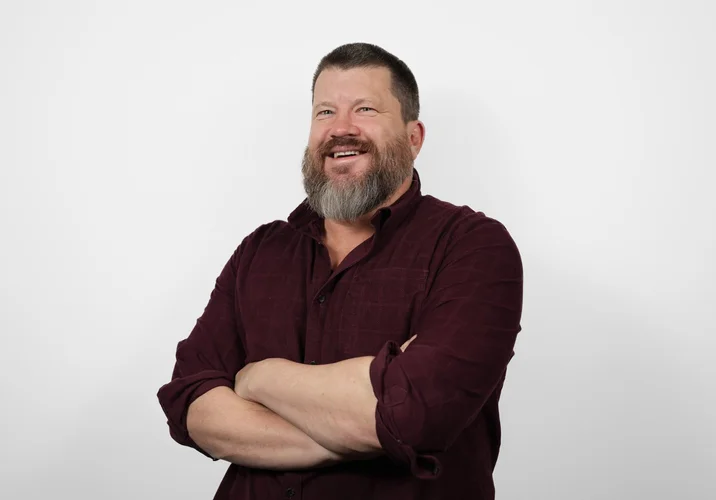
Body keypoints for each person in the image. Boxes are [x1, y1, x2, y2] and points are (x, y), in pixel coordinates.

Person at [157, 42, 523, 500]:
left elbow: (420, 415)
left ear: (414, 138)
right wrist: (370, 425)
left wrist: (257, 379)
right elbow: (190, 401)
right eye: (325, 112)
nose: (340, 128)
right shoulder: (260, 251)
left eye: (365, 109)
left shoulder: (472, 246)